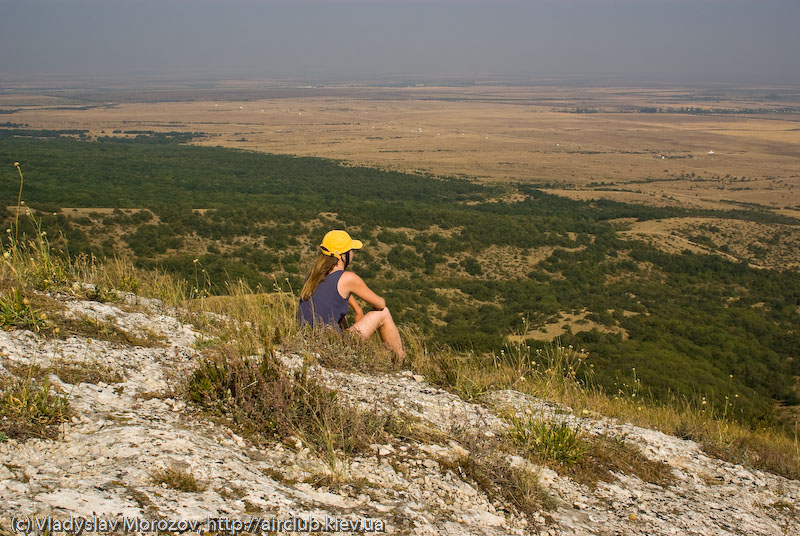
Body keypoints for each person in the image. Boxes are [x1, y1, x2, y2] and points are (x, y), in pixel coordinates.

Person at [297, 229, 405, 358]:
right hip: (331, 347)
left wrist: (357, 309)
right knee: (383, 312)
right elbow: (380, 304)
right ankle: (400, 359)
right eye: (351, 250)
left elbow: (335, 294)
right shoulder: (349, 278)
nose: (352, 253)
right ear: (343, 256)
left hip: (306, 343)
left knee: (339, 315)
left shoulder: (312, 277)